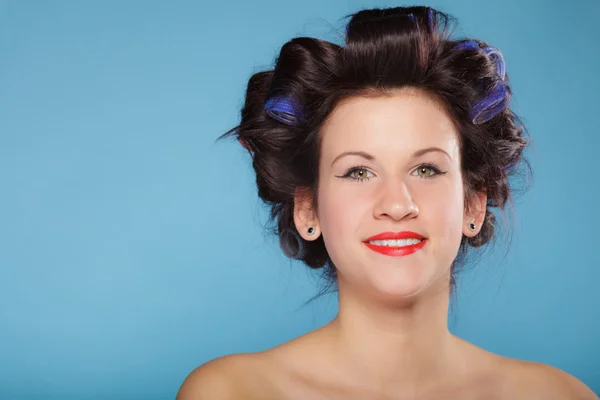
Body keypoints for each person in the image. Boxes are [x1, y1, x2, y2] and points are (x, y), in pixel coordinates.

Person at [177, 6, 598, 399]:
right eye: (358, 172)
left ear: (473, 204)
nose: (397, 205)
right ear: (307, 209)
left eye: (427, 169)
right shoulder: (232, 392)